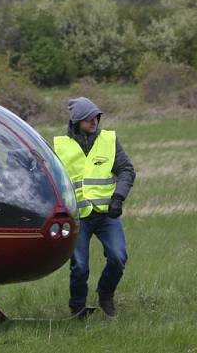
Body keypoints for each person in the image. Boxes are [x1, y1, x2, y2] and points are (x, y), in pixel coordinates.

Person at [53, 97, 135, 319]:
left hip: (107, 215)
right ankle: (77, 308)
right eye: (88, 118)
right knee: (79, 266)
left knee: (118, 257)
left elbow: (127, 170)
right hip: (77, 217)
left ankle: (105, 294)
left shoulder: (109, 140)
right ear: (76, 121)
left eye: (96, 117)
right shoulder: (59, 145)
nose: (94, 121)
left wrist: (118, 197)